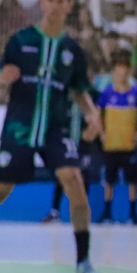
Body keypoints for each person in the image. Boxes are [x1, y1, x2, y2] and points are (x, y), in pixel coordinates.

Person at [0, 0, 104, 273]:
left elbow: (79, 90)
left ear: (69, 6)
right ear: (42, 3)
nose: (54, 5)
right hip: (19, 127)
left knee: (73, 179)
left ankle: (83, 260)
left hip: (56, 127)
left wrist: (93, 114)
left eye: (60, 1)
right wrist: (1, 77)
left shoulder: (72, 49)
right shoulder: (21, 39)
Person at [96, 51, 137, 225]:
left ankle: (133, 214)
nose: (121, 76)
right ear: (113, 73)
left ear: (129, 73)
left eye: (124, 72)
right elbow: (99, 113)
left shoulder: (136, 92)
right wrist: (101, 132)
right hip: (110, 144)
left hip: (128, 144)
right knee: (109, 180)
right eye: (118, 72)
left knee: (132, 180)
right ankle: (107, 213)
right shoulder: (107, 93)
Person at [42, 84, 101, 224]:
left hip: (85, 143)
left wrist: (93, 131)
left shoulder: (94, 94)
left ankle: (82, 211)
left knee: (83, 177)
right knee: (62, 174)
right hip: (66, 140)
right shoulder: (62, 90)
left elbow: (99, 114)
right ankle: (55, 211)